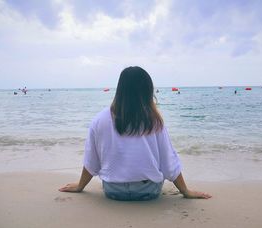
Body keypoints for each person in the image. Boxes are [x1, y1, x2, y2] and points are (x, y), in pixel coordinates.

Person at [59, 66, 211, 201]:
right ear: (147, 91)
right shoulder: (154, 121)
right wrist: (185, 191)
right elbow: (168, 162)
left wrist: (80, 186)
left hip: (113, 191)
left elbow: (92, 160)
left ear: (120, 90)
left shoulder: (99, 120)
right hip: (149, 191)